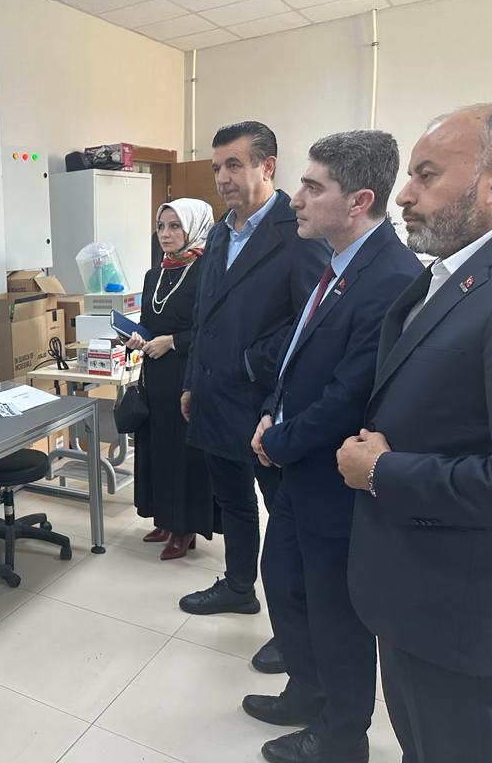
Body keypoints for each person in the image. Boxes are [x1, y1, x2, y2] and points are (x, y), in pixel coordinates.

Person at [245, 131, 422, 763]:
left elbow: (349, 395)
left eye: (312, 187)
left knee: (335, 613)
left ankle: (342, 736)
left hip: (335, 479)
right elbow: (298, 358)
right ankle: (306, 690)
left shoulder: (392, 278)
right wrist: (271, 411)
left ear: (358, 200)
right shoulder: (337, 264)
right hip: (300, 468)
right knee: (285, 584)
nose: (295, 198)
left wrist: (279, 441)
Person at [337, 104, 492, 763]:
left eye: (427, 175)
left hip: (461, 622)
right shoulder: (447, 276)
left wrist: (382, 472)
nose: (403, 194)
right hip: (418, 601)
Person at [178, 121, 329, 676]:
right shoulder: (221, 233)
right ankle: (239, 585)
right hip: (214, 396)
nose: (222, 177)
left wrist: (248, 363)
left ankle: (294, 632)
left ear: (268, 167)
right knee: (233, 502)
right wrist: (192, 379)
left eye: (234, 165)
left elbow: (309, 323)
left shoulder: (300, 231)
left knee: (285, 520)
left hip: (267, 403)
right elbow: (203, 315)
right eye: (217, 167)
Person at [126, 199, 215, 560]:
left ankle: (184, 527)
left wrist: (173, 342)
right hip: (155, 374)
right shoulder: (155, 274)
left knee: (183, 452)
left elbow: (212, 330)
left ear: (193, 228)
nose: (165, 234)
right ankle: (163, 518)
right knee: (157, 448)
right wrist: (136, 337)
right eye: (161, 226)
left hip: (187, 375)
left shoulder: (207, 270)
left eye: (175, 226)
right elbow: (150, 322)